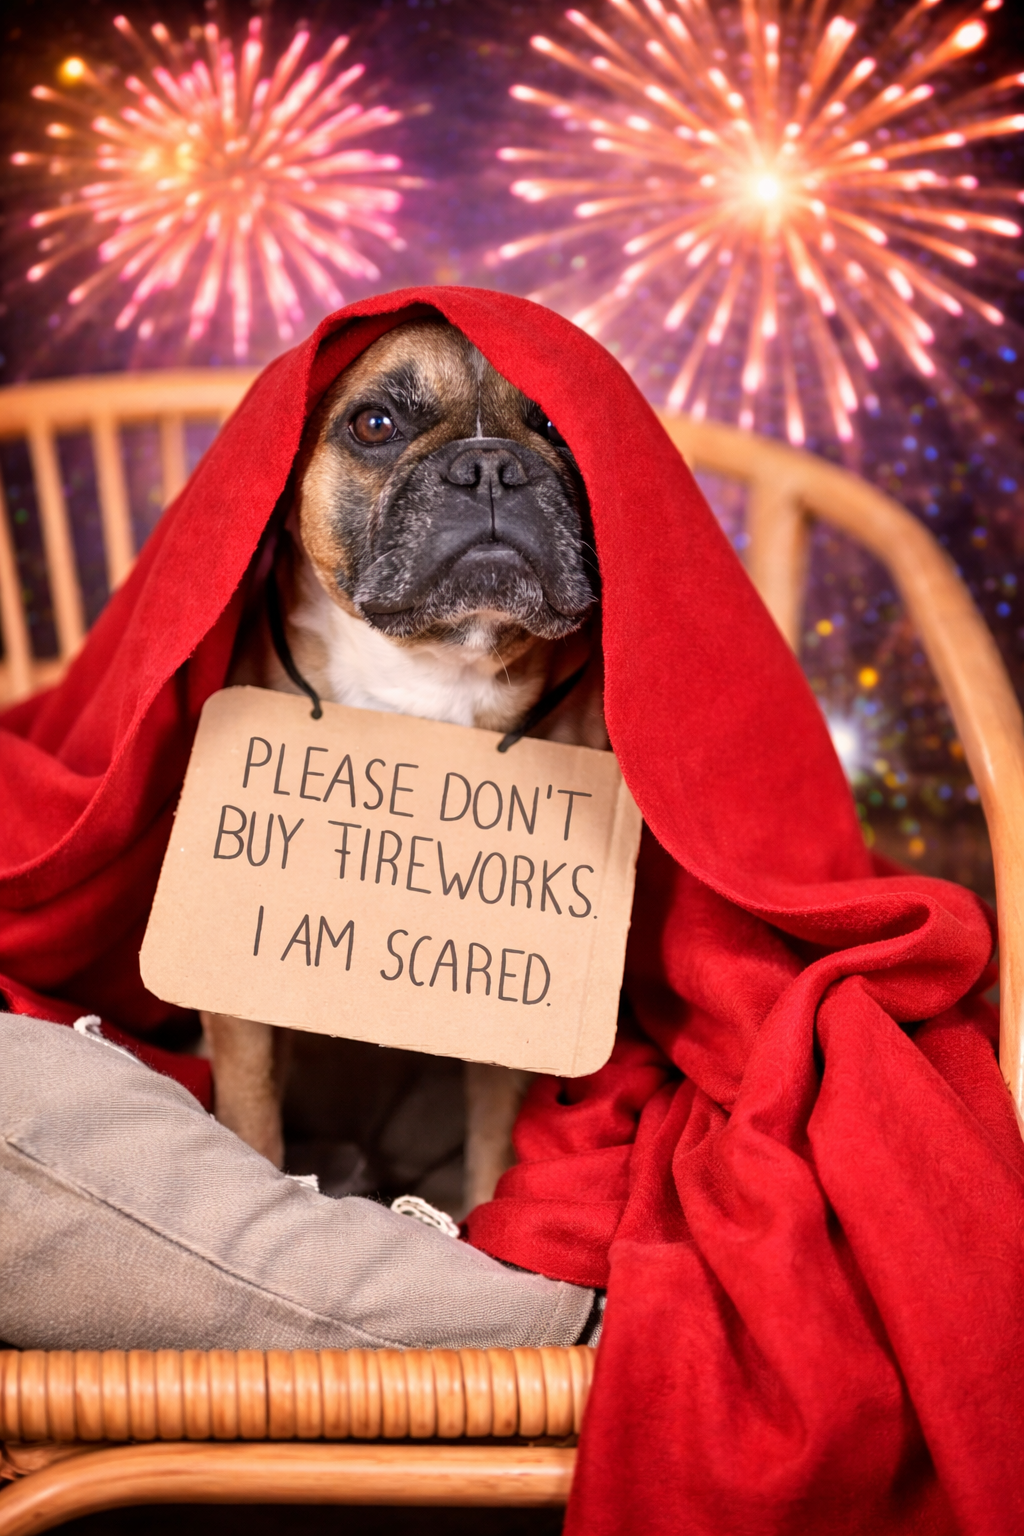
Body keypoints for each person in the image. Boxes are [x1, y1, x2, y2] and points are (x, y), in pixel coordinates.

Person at [1, 288, 1021, 1535]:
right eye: (382, 429)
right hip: (273, 1031)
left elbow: (536, 971)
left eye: (543, 446)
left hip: (483, 1075)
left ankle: (479, 1282)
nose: (485, 473)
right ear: (282, 485)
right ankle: (294, 1222)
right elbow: (228, 945)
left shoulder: (583, 708)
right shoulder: (255, 682)